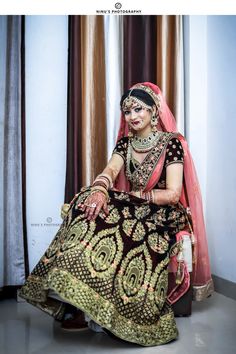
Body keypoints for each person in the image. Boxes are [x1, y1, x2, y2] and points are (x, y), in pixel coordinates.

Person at [19, 82, 213, 346]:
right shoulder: (125, 144)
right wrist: (99, 189)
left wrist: (135, 198)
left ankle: (114, 312)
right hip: (134, 205)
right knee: (87, 202)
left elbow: (172, 193)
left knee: (127, 232)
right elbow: (111, 171)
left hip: (164, 215)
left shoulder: (172, 144)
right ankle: (78, 301)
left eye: (138, 109)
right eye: (127, 111)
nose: (132, 117)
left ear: (153, 111)